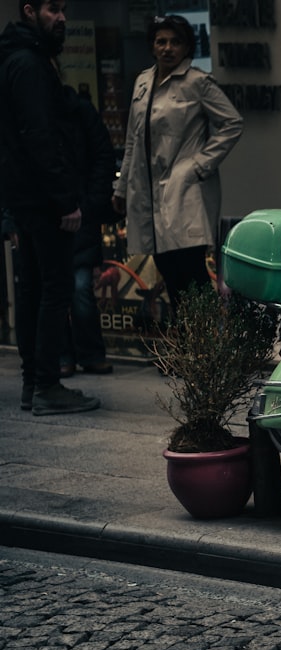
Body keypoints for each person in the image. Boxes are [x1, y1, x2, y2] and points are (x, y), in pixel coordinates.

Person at [0, 0, 100, 416]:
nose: (61, 17)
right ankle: (46, 385)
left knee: (34, 289)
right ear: (29, 11)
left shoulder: (21, 58)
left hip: (26, 195)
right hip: (41, 198)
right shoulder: (28, 63)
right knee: (53, 288)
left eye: (63, 10)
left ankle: (33, 384)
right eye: (52, 9)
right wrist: (64, 199)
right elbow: (39, 135)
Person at [112, 14, 243, 312]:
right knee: (169, 273)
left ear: (187, 47)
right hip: (149, 192)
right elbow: (133, 138)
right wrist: (121, 189)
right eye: (161, 41)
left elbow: (232, 123)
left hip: (185, 192)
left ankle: (209, 349)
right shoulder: (143, 81)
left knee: (192, 274)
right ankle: (187, 351)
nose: (168, 48)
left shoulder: (197, 82)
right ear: (152, 45)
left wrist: (200, 164)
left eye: (175, 42)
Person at [60, 84, 115, 379]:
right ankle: (64, 355)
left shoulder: (79, 111)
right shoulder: (32, 113)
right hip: (52, 212)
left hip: (81, 211)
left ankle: (90, 354)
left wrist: (92, 202)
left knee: (81, 288)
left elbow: (102, 156)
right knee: (54, 291)